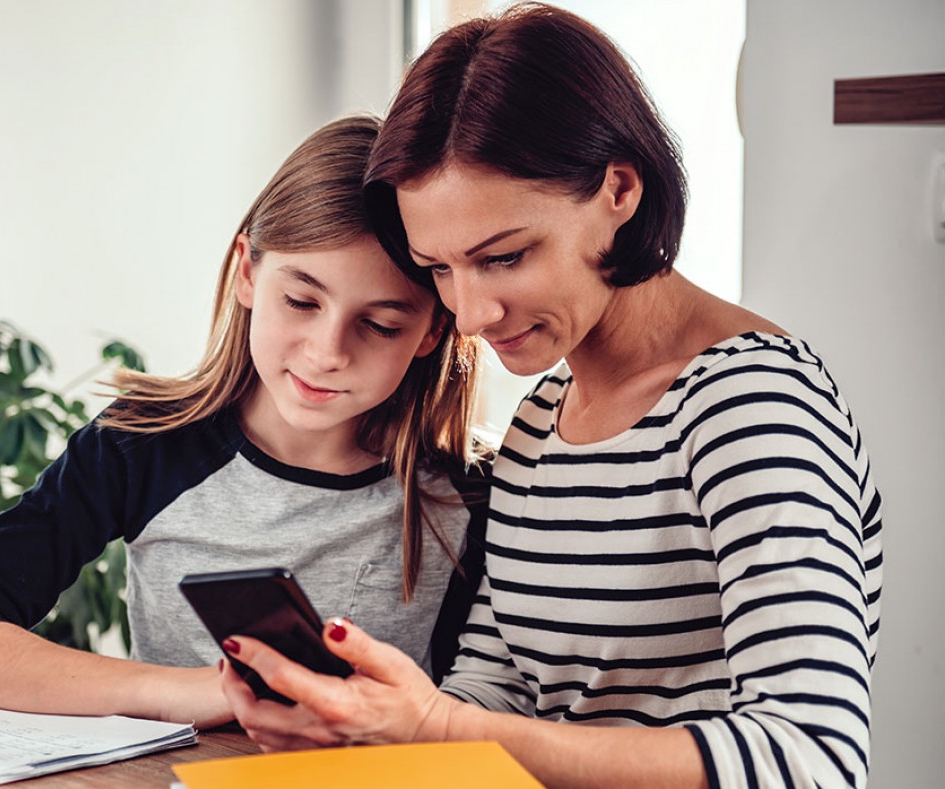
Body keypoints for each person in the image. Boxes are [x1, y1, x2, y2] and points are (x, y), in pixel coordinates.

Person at [217, 5, 883, 788]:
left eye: (502, 257)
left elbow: (811, 756)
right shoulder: (541, 425)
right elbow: (495, 688)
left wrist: (436, 725)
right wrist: (363, 731)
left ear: (619, 190)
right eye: (438, 268)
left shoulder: (751, 409)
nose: (467, 313)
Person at [0, 114, 490, 729]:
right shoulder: (139, 448)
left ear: (433, 329)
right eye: (302, 301)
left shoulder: (475, 490)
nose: (327, 351)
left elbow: (489, 709)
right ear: (249, 273)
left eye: (381, 324)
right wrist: (203, 692)